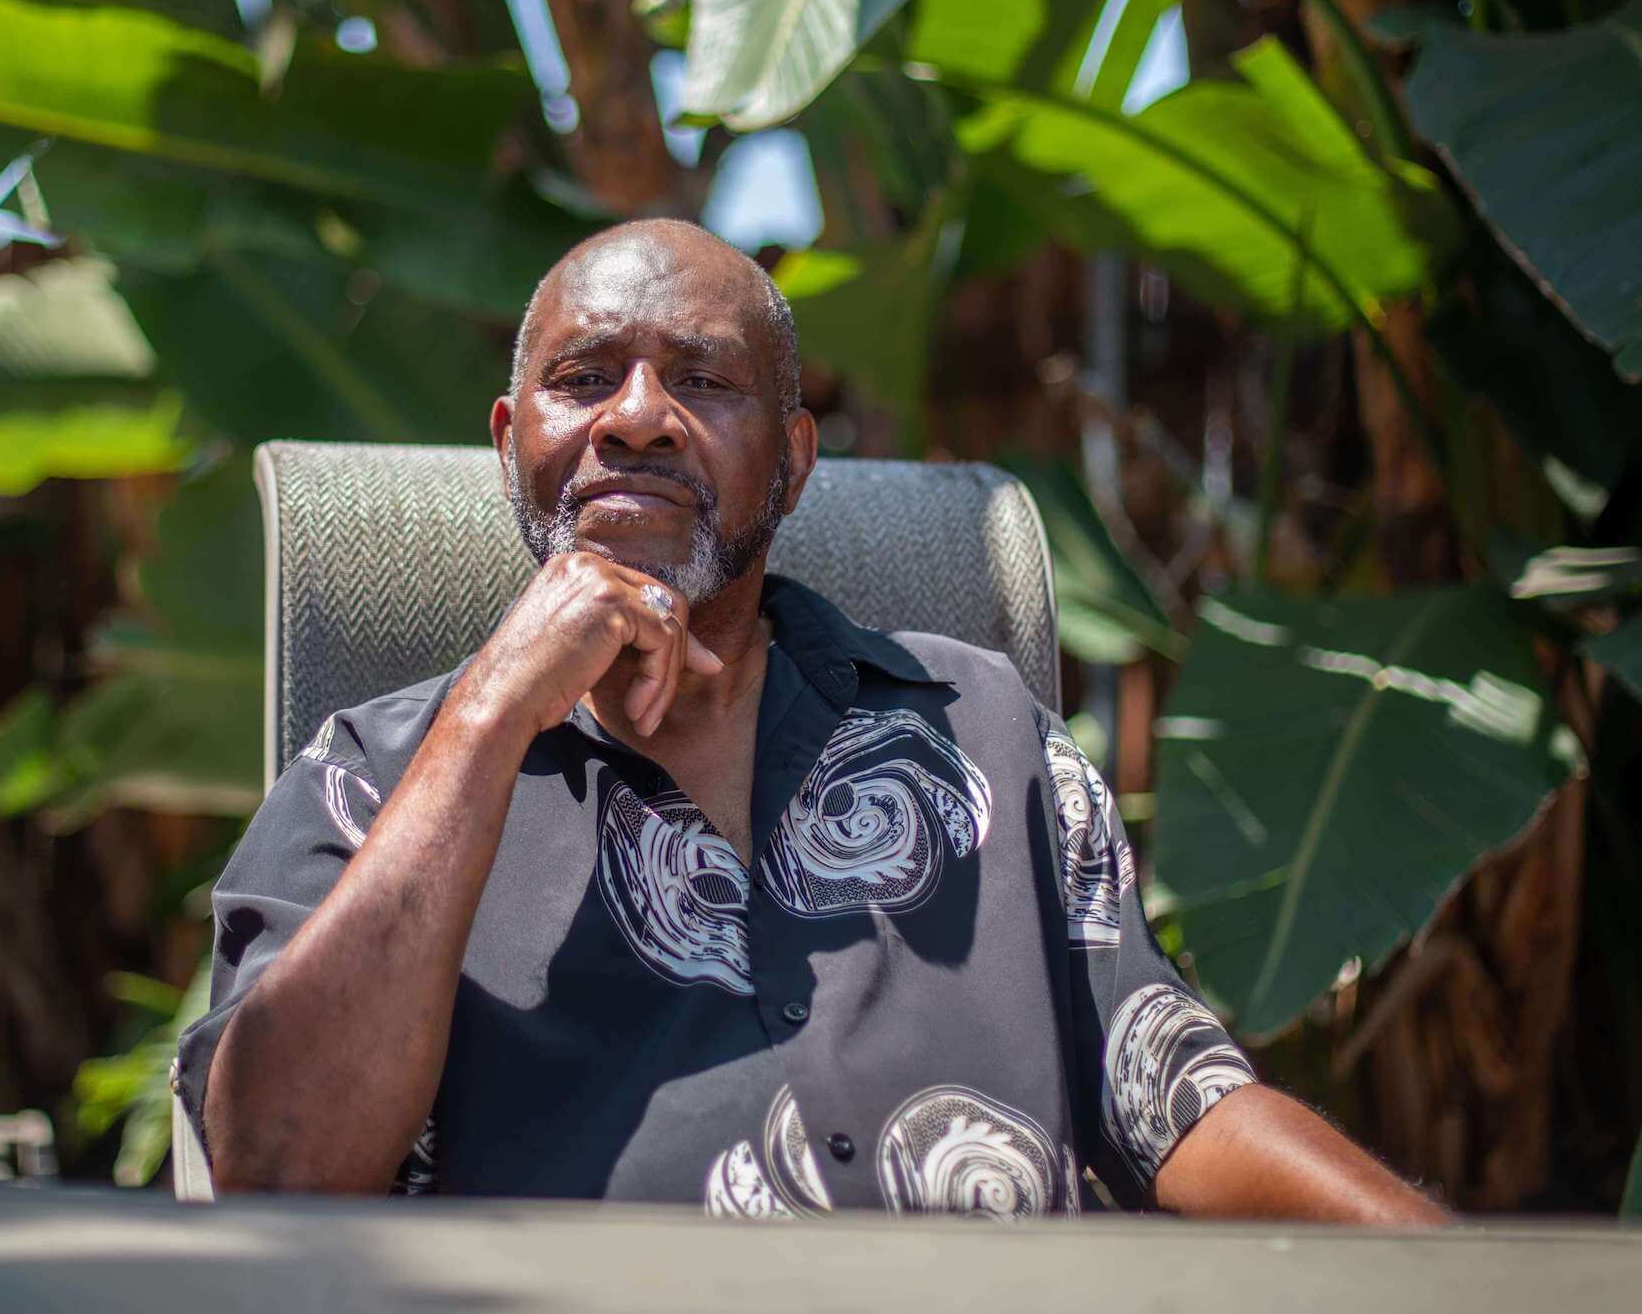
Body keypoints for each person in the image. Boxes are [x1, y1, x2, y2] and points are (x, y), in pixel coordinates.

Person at [175, 218, 1445, 1223]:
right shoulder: (368, 778)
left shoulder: (976, 727)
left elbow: (1175, 1101)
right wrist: (496, 710)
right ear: (514, 443)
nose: (633, 416)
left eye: (701, 379)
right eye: (581, 379)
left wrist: (1461, 1280)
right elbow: (279, 1169)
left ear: (789, 462)